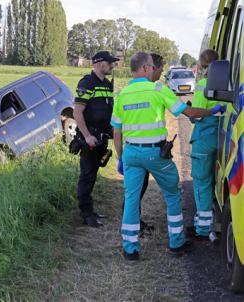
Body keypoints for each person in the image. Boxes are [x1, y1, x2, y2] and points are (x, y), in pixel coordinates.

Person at [111, 52, 226, 260]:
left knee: (131, 198)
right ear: (146, 68)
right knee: (172, 195)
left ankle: (130, 248)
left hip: (131, 153)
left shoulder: (122, 94)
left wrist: (120, 158)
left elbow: (117, 132)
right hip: (156, 153)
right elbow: (188, 113)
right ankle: (176, 243)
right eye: (152, 66)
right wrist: (214, 111)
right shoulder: (157, 89)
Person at [121, 53, 166, 236]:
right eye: (159, 69)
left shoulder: (127, 92)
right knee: (136, 192)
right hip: (147, 152)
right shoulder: (155, 89)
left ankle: (133, 226)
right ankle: (133, 223)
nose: (160, 73)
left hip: (133, 151)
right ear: (150, 67)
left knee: (135, 190)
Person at [74, 51, 119, 227]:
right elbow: (77, 112)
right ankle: (86, 214)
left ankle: (90, 211)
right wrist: (87, 136)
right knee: (87, 176)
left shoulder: (107, 84)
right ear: (100, 63)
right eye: (110, 63)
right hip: (90, 140)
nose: (112, 66)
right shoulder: (87, 83)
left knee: (92, 176)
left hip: (102, 139)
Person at [189, 49, 225, 239]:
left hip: (203, 140)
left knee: (202, 183)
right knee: (214, 179)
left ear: (202, 65)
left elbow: (195, 115)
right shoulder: (228, 83)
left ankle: (202, 228)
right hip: (221, 138)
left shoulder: (203, 85)